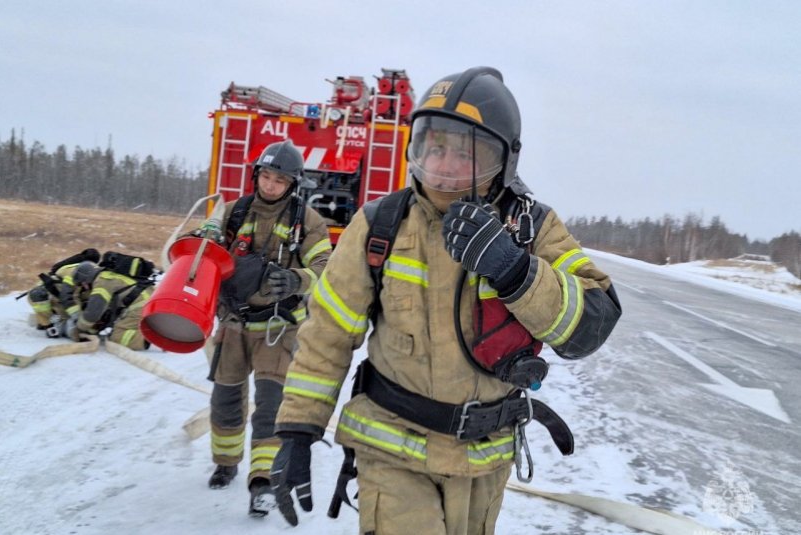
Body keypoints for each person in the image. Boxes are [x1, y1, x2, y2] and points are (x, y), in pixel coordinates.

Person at [270, 67, 622, 534]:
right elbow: (327, 333)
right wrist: (298, 427)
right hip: (390, 449)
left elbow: (592, 325)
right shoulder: (381, 225)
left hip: (485, 460)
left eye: (465, 152)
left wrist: (517, 271)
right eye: (434, 146)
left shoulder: (533, 229)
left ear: (504, 160)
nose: (445, 165)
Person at [199, 139, 332, 518]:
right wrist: (200, 241)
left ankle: (263, 482)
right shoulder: (235, 213)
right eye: (266, 176)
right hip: (234, 326)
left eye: (280, 179)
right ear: (257, 175)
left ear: (293, 184)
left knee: (271, 405)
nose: (271, 185)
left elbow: (326, 268)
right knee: (225, 401)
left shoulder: (308, 221)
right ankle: (225, 463)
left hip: (278, 329)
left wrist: (297, 280)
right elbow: (201, 253)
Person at [70, 260, 153, 350]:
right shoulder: (107, 275)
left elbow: (93, 313)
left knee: (117, 336)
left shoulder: (102, 282)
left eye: (83, 284)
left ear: (86, 278)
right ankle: (150, 330)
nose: (84, 287)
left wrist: (79, 328)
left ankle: (148, 338)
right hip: (149, 300)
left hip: (141, 305)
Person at [26, 248, 101, 337]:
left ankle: (60, 319)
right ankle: (47, 323)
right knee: (38, 295)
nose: (85, 284)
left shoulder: (98, 277)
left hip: (72, 296)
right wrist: (76, 316)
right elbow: (68, 296)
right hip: (56, 293)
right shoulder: (73, 273)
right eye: (83, 283)